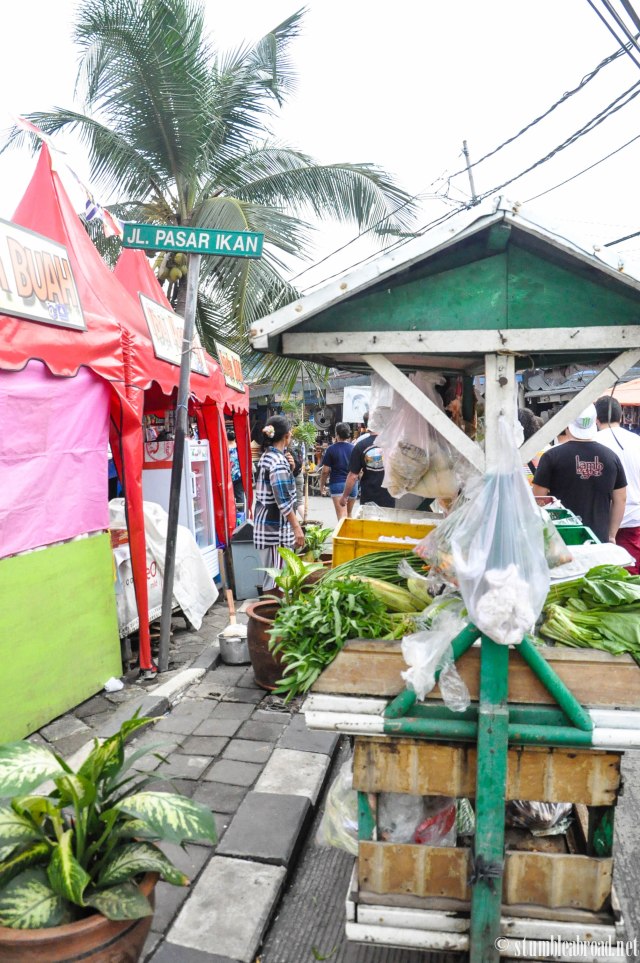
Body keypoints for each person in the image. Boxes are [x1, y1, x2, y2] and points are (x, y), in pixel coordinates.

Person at [532, 404, 627, 544]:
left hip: (561, 538)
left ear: (568, 425)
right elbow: (620, 499)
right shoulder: (611, 457)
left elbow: (538, 499)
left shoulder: (551, 456)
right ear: (595, 422)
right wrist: (611, 534)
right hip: (598, 538)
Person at [253, 416, 305, 590]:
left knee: (274, 580)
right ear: (287, 436)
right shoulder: (277, 462)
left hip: (267, 528)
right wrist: (297, 528)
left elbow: (276, 490)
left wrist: (289, 469)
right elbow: (282, 501)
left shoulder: (268, 457)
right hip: (275, 532)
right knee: (278, 584)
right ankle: (274, 615)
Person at [594, 396, 640, 573]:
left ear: (596, 419)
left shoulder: (593, 443)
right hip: (634, 519)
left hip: (601, 522)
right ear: (621, 417)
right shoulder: (636, 441)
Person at [339, 412, 395, 510]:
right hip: (389, 495)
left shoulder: (360, 446)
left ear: (366, 425)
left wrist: (344, 496)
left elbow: (353, 476)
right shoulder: (391, 444)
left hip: (369, 496)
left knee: (370, 524)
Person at [319, 422, 358, 520]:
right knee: (349, 515)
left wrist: (322, 485)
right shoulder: (354, 448)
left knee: (342, 517)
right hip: (352, 485)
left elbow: (325, 471)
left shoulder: (331, 449)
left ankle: (343, 535)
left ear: (337, 434)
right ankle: (350, 535)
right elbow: (359, 470)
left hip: (337, 483)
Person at [226, 427, 244, 508]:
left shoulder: (224, 447)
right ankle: (241, 513)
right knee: (239, 495)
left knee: (229, 496)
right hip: (239, 475)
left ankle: (231, 513)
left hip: (228, 475)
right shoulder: (239, 447)